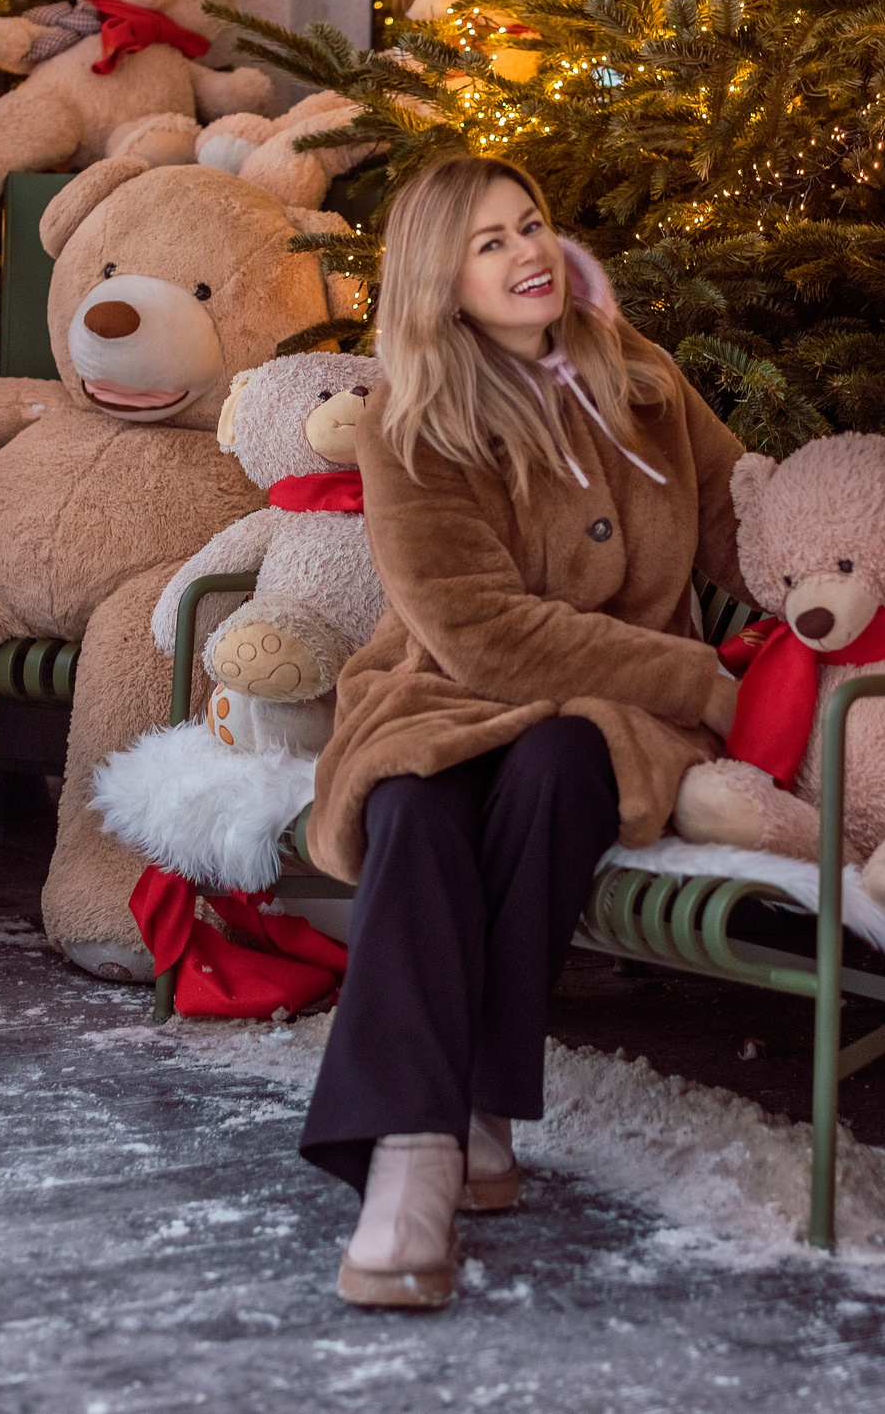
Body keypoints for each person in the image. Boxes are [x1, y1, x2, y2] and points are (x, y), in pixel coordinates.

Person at [299, 155, 752, 1308]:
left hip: (610, 714)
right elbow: (479, 632)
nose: (526, 253)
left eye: (532, 225)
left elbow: (752, 527)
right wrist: (696, 674)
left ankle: (478, 1108)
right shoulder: (411, 423)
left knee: (560, 763)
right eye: (487, 241)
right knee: (414, 803)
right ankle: (414, 1148)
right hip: (441, 691)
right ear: (438, 280)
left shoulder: (644, 384)